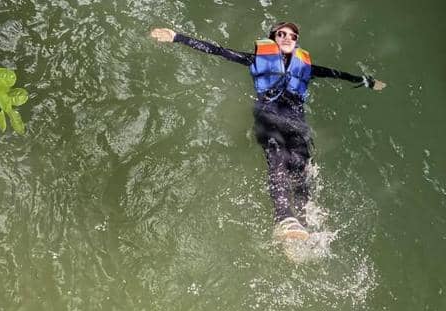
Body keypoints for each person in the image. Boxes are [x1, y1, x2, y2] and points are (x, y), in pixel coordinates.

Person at [150, 22, 385, 238]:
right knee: (277, 157)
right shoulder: (256, 60)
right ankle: (284, 217)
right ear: (272, 39)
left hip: (296, 122)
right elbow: (218, 50)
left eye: (292, 36)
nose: (287, 37)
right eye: (281, 34)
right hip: (268, 115)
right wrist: (177, 37)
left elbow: (338, 74)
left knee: (300, 167)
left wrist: (368, 82)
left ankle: (304, 220)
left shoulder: (306, 67)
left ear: (296, 42)